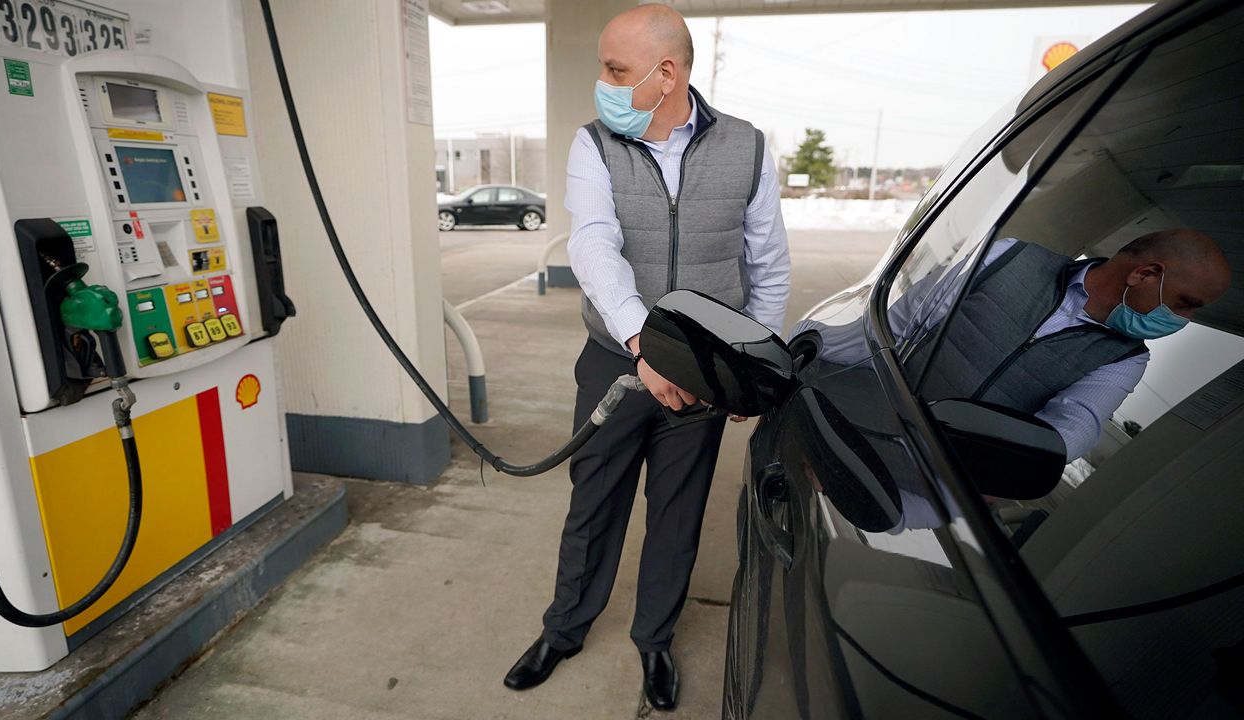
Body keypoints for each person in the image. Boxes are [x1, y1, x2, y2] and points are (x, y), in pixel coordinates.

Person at [501, 4, 789, 711]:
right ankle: (565, 629)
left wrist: (753, 374)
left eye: (615, 69)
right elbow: (592, 245)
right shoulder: (594, 145)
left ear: (667, 74)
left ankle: (654, 639)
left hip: (705, 373)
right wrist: (642, 346)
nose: (602, 82)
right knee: (593, 504)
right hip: (614, 360)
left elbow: (769, 268)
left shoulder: (747, 148)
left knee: (678, 510)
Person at [795, 228, 1231, 527]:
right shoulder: (1006, 258)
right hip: (832, 443)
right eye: (1184, 303)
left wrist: (907, 512)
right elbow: (887, 333)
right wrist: (789, 358)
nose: (1183, 320)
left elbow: (1058, 442)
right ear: (1144, 274)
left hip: (900, 503)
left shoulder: (1123, 360)